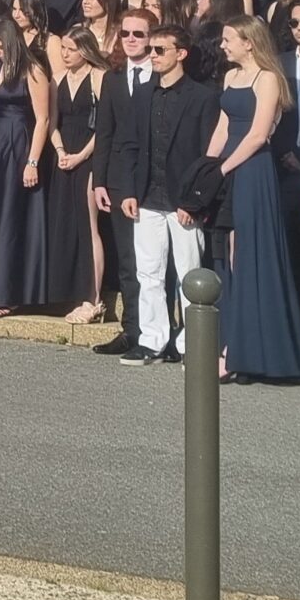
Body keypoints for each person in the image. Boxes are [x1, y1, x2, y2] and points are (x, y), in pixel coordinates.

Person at [209, 16, 300, 382]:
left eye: (228, 39)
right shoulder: (231, 76)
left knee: (250, 255)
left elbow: (257, 136)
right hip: (228, 167)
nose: (223, 45)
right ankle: (234, 344)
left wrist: (223, 169)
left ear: (248, 42)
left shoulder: (267, 78)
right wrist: (207, 169)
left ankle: (247, 349)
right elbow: (223, 128)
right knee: (229, 255)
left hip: (252, 171)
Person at [111, 24, 219, 364]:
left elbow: (208, 155)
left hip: (183, 202)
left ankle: (192, 344)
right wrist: (128, 190)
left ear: (181, 54)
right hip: (146, 197)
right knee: (148, 272)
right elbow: (127, 144)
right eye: (151, 49)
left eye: (160, 50)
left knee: (190, 273)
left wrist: (195, 201)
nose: (152, 55)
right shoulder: (142, 93)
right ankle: (153, 339)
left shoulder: (202, 97)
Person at [0, 17, 52, 317]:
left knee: (9, 215)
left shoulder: (32, 70)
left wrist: (32, 161)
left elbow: (42, 119)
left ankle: (8, 293)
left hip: (18, 142)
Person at [42, 25, 104, 323]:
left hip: (89, 155)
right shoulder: (57, 79)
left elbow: (104, 125)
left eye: (71, 49)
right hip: (64, 154)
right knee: (63, 222)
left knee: (88, 224)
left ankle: (93, 297)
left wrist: (80, 156)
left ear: (85, 49)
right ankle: (65, 291)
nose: (65, 54)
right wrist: (60, 151)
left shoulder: (99, 77)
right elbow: (51, 121)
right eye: (63, 48)